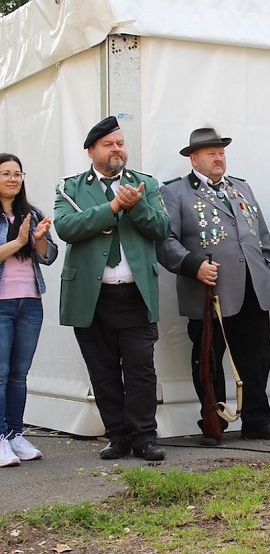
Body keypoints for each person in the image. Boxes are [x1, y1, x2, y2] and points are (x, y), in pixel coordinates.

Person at [158, 128, 270, 444]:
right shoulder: (175, 193)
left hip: (251, 289)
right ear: (194, 159)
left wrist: (268, 275)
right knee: (209, 359)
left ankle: (258, 420)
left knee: (257, 357)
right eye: (211, 153)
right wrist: (194, 266)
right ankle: (213, 422)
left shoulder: (240, 188)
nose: (218, 158)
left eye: (221, 153)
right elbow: (165, 241)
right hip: (209, 291)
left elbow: (261, 236)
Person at [54, 116, 171, 461]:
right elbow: (66, 227)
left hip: (135, 293)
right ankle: (117, 436)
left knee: (140, 369)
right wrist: (113, 207)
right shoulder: (70, 188)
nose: (117, 149)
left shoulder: (145, 185)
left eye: (120, 143)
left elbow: (162, 228)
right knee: (102, 370)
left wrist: (137, 207)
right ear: (91, 151)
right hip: (92, 297)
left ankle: (144, 437)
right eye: (109, 144)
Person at [0, 154, 57, 467]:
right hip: (1, 303)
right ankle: (0, 437)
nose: (13, 179)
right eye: (5, 173)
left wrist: (38, 240)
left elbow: (49, 256)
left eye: (17, 174)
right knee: (0, 374)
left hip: (30, 302)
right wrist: (20, 240)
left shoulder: (32, 213)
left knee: (19, 375)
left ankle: (15, 435)